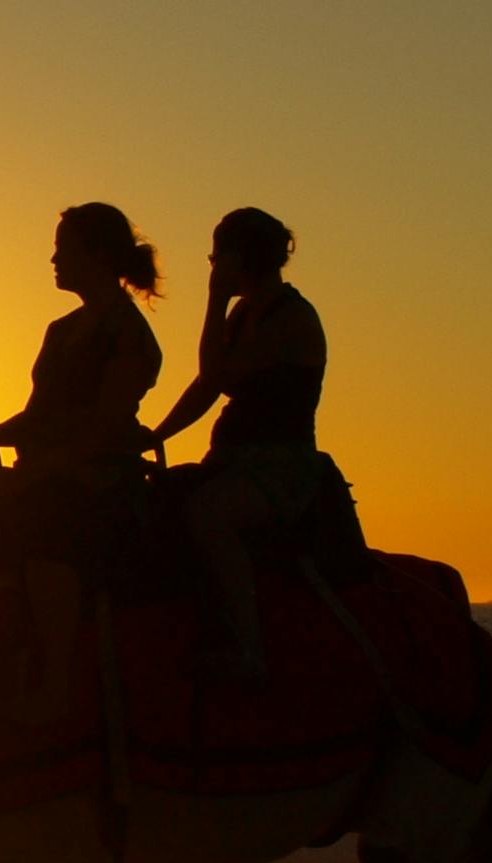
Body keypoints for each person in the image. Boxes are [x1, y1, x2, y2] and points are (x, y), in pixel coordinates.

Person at [0, 203, 164, 713]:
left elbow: (104, 430)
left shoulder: (129, 334)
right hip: (44, 474)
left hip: (98, 482)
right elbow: (38, 416)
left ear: (94, 255)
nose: (53, 258)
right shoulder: (60, 330)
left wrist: (29, 479)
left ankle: (55, 682)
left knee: (46, 540)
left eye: (63, 247)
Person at [147, 207, 327, 677]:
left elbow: (218, 375)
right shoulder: (248, 312)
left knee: (208, 516)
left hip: (280, 467)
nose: (211, 266)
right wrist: (154, 435)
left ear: (237, 258)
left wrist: (213, 301)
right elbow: (205, 389)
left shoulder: (292, 318)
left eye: (216, 257)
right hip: (232, 459)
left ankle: (251, 646)